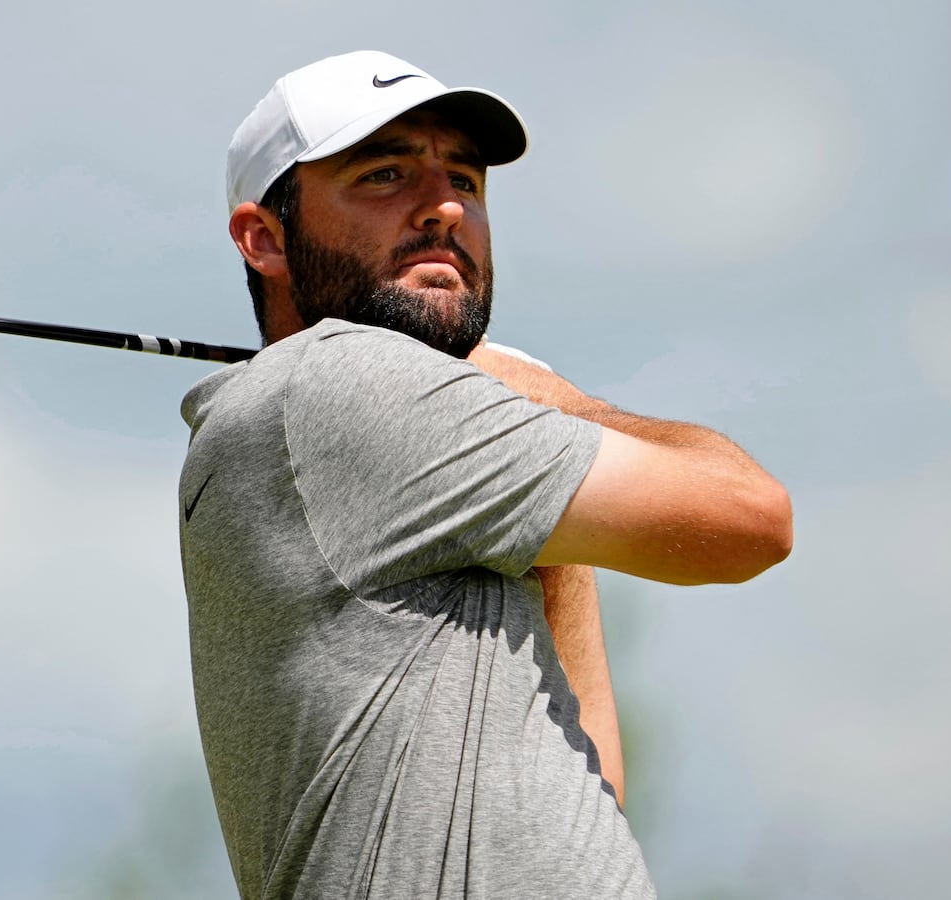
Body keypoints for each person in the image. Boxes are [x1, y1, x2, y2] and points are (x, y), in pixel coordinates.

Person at [177, 51, 793, 899]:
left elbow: (592, 790)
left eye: (465, 179)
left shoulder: (335, 427)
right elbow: (751, 518)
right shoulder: (340, 381)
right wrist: (556, 402)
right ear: (265, 238)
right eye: (385, 174)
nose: (443, 207)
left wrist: (530, 455)